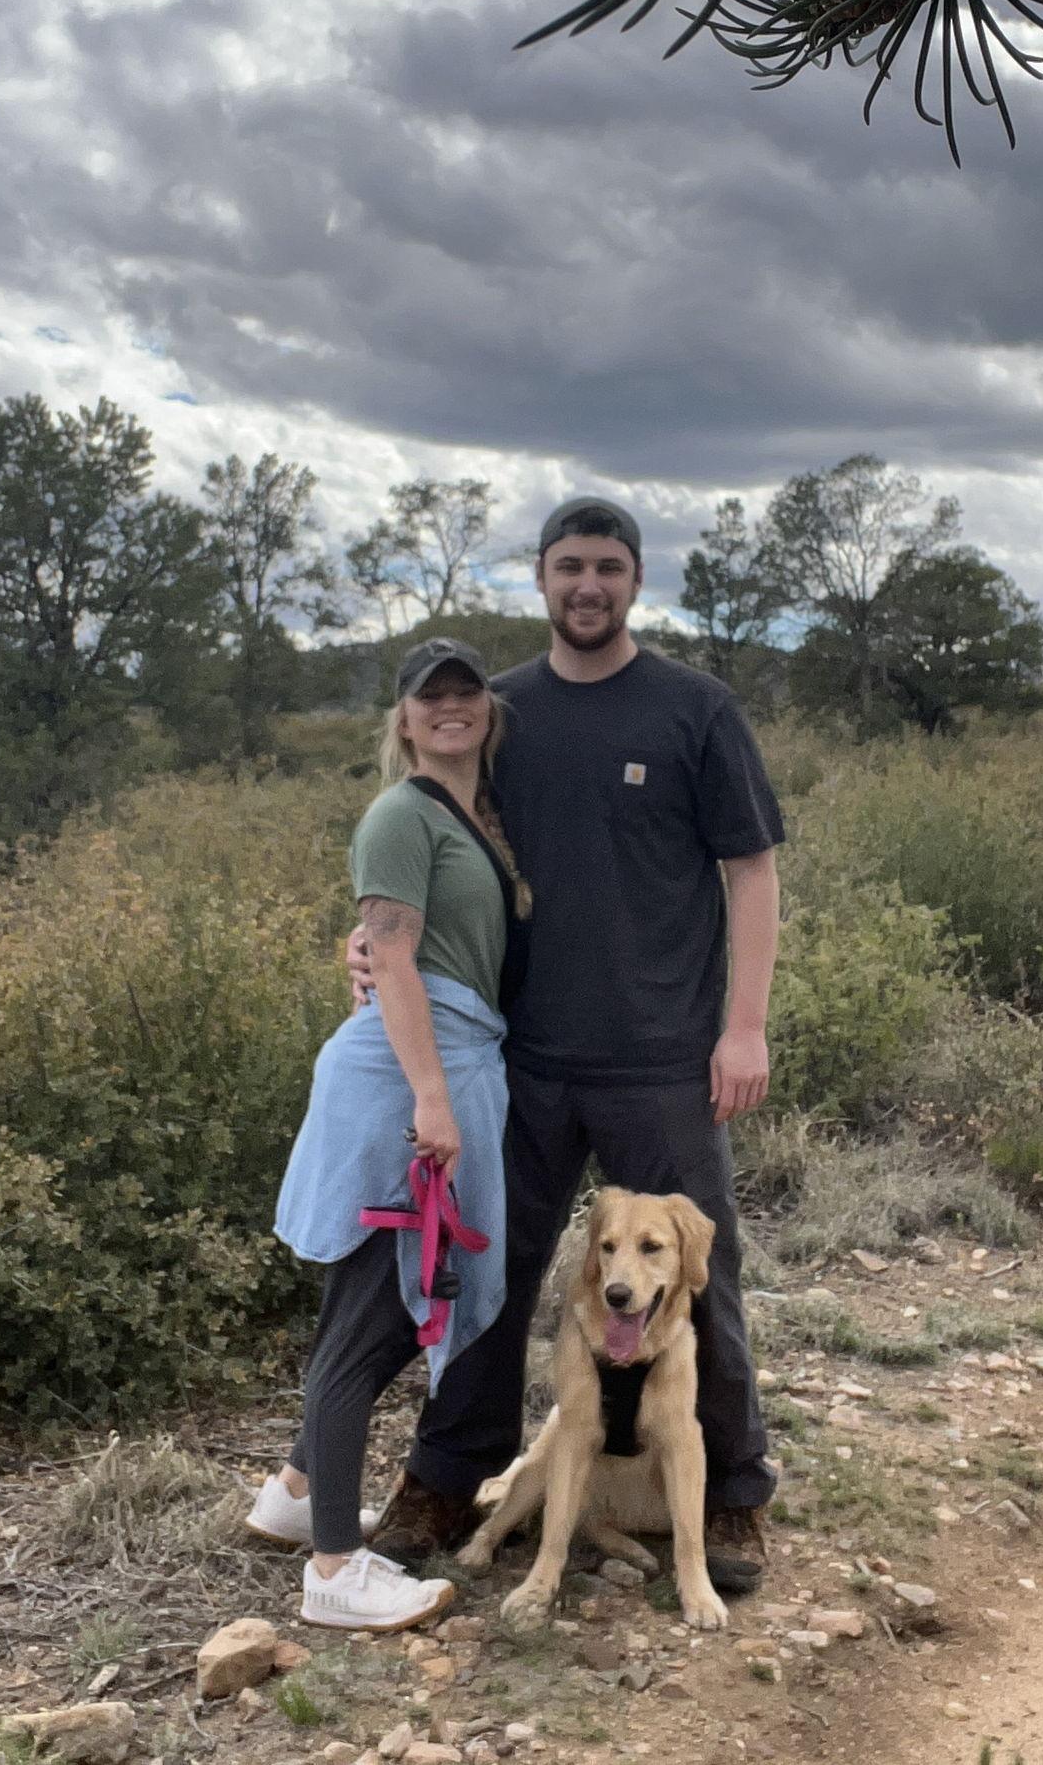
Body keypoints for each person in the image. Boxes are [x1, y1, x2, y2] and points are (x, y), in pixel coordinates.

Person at [353, 495, 785, 1598]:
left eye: (605, 566)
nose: (585, 585)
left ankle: (733, 1494)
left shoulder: (694, 709)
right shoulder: (495, 711)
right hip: (519, 1057)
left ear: (633, 579)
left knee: (701, 1272)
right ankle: (448, 1476)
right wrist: (368, 944)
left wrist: (742, 1026)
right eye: (565, 567)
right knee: (487, 1277)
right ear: (537, 580)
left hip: (663, 1058)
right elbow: (420, 834)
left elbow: (750, 871)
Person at [250, 637, 530, 1631]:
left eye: (467, 692)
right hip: (409, 1081)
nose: (451, 707)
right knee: (371, 1327)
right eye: (430, 697)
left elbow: (401, 951)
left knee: (362, 1310)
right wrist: (431, 1099)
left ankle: (291, 1493)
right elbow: (397, 967)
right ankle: (334, 1569)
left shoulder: (474, 815)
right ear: (403, 718)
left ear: (484, 711)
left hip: (441, 1061)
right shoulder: (398, 815)